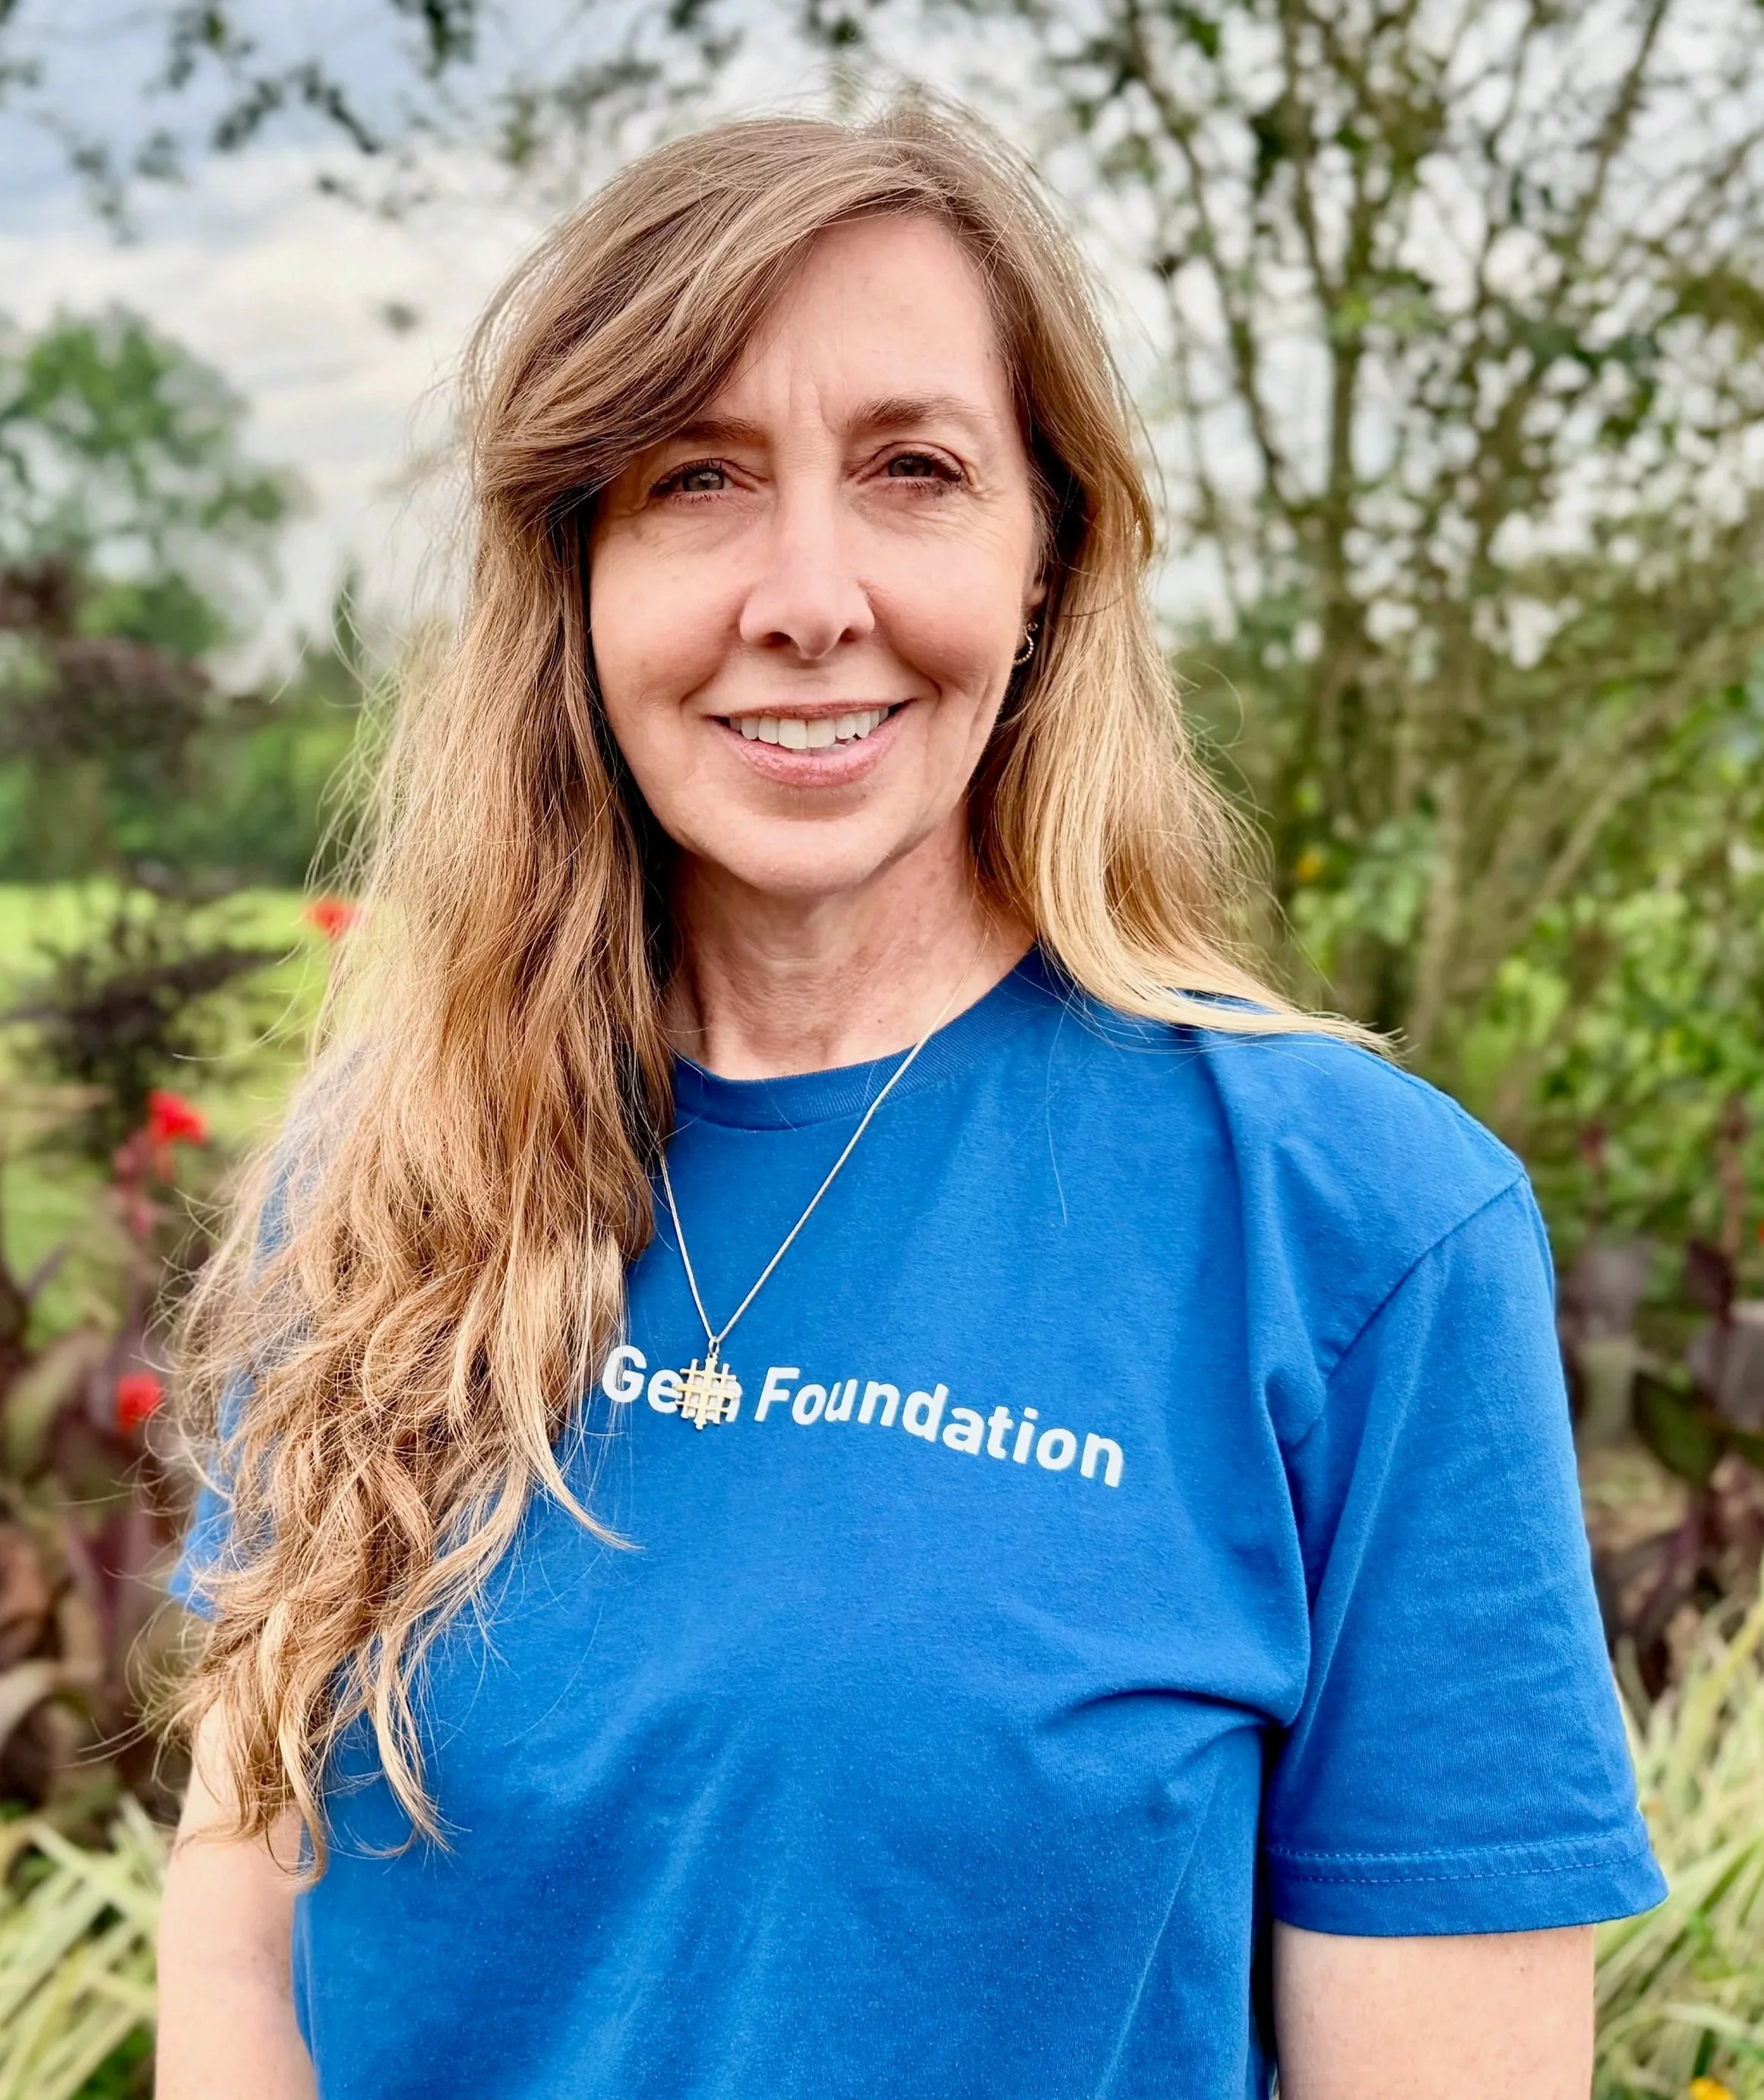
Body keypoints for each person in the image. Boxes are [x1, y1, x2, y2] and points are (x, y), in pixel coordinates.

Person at [153, 107, 1663, 2100]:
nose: (806, 592)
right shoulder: (384, 1187)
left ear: (1047, 558)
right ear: (574, 577)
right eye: (697, 476)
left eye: (913, 471)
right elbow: (247, 1926)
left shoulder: (1361, 1234)